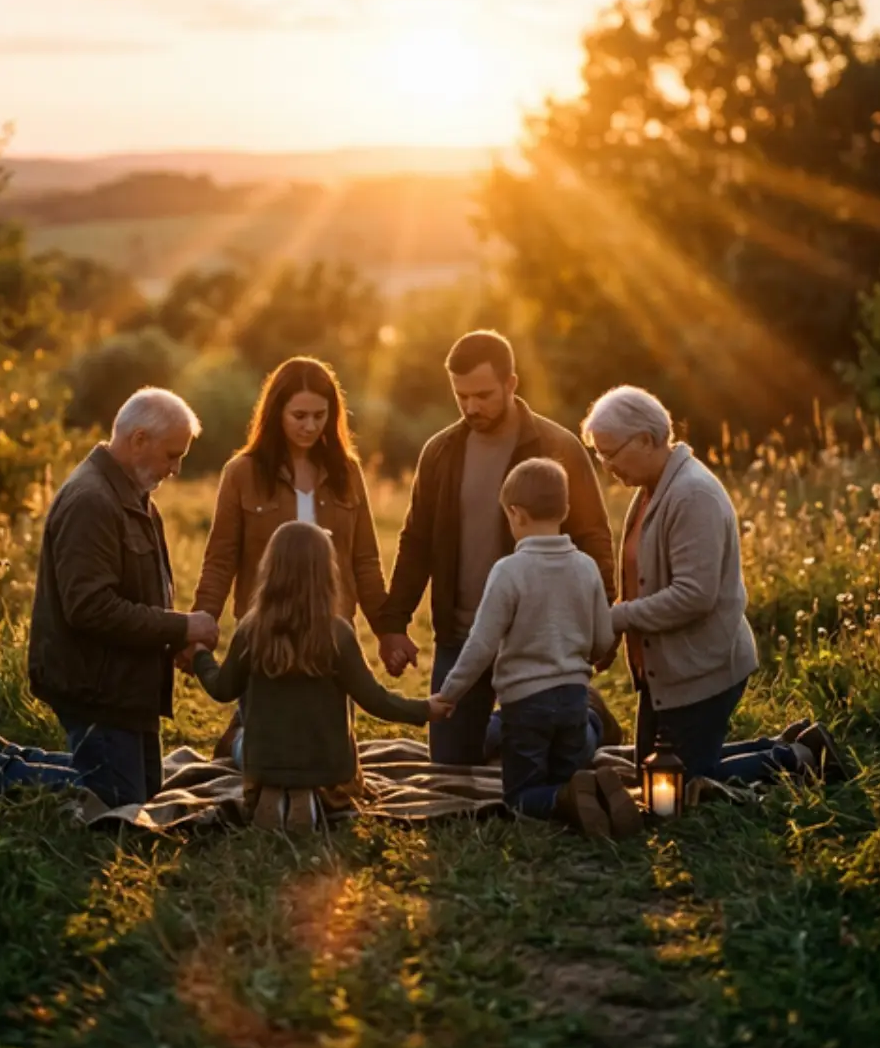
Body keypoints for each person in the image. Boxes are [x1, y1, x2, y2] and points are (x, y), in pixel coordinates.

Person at [582, 385, 850, 786]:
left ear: (646, 439)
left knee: (671, 786)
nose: (605, 465)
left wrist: (617, 618)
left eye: (610, 452)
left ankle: (800, 758)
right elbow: (641, 582)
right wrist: (612, 638)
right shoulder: (648, 491)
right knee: (649, 772)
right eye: (599, 454)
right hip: (665, 673)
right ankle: (790, 742)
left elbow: (694, 596)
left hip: (700, 669)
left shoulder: (693, 495)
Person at [377, 330, 619, 766]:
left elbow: (595, 538)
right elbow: (416, 541)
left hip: (537, 641)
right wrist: (394, 623)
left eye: (484, 395)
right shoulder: (440, 453)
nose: (472, 407)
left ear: (511, 384)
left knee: (556, 762)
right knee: (450, 763)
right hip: (462, 635)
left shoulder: (558, 447)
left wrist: (601, 625)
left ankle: (587, 717)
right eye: (461, 396)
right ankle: (513, 727)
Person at [0, 388, 220, 807]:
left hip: (125, 683)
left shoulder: (134, 494)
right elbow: (90, 609)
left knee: (145, 791)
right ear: (139, 440)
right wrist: (182, 626)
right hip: (96, 687)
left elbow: (138, 591)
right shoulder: (92, 501)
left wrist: (172, 640)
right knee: (119, 799)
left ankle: (13, 759)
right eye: (172, 455)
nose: (176, 469)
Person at [192, 356, 393, 762]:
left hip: (333, 630)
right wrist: (202, 623)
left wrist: (389, 632)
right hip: (266, 630)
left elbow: (366, 561)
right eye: (299, 415)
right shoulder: (241, 473)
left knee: (333, 753)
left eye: (320, 415)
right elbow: (220, 559)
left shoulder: (348, 473)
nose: (310, 425)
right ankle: (242, 740)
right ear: (276, 412)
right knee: (272, 748)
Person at [429, 459, 643, 838]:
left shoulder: (509, 571)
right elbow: (602, 638)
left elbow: (481, 644)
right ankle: (584, 789)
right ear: (565, 511)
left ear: (515, 513)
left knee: (521, 795)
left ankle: (567, 798)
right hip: (575, 697)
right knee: (564, 770)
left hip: (527, 704)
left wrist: (450, 694)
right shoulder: (586, 567)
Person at [188, 521, 448, 830]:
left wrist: (200, 656)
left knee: (239, 739)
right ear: (326, 573)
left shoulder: (250, 630)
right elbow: (375, 700)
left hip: (264, 762)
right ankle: (312, 795)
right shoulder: (338, 633)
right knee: (343, 767)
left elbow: (222, 688)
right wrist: (425, 709)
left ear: (270, 569)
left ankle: (271, 790)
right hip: (329, 769)